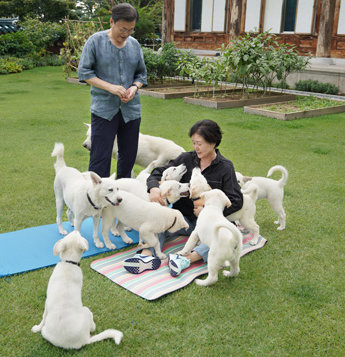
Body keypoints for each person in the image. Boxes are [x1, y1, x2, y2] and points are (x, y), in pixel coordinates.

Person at [123, 119, 243, 276]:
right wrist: (153, 188)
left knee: (226, 237)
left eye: (199, 143)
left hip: (209, 223)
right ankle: (146, 256)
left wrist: (207, 210)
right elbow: (158, 172)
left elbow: (236, 200)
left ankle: (186, 259)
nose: (195, 147)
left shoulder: (225, 167)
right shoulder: (186, 158)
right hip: (182, 219)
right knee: (156, 217)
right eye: (193, 143)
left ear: (213, 142)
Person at [78, 3, 147, 178]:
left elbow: (141, 74)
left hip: (131, 111)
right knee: (100, 158)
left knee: (128, 157)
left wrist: (134, 87)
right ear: (112, 22)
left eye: (131, 30)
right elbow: (84, 72)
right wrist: (110, 87)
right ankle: (95, 201)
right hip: (103, 110)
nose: (126, 34)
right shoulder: (95, 41)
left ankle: (123, 197)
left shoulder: (134, 45)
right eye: (123, 29)